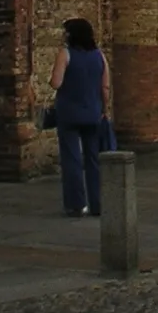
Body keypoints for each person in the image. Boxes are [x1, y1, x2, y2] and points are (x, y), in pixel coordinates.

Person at [50, 17, 110, 217]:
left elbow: (56, 83)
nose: (63, 35)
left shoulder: (65, 54)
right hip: (93, 112)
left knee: (72, 158)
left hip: (69, 113)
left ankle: (76, 204)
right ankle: (97, 203)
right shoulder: (100, 56)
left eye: (65, 31)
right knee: (93, 159)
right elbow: (105, 87)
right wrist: (105, 109)